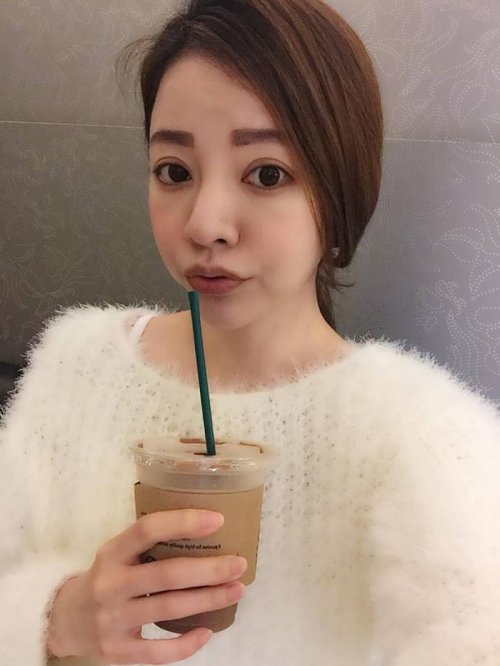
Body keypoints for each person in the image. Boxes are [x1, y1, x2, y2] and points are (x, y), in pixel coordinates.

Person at [1, 0, 500, 664]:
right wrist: (52, 620)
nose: (204, 224)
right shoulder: (77, 366)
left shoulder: (425, 436)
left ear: (340, 192)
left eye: (267, 173)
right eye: (174, 171)